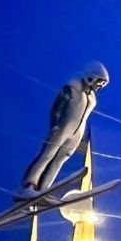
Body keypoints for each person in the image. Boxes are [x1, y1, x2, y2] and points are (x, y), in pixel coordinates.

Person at [18, 62, 109, 199]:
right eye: (99, 81)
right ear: (91, 77)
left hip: (77, 132)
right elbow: (57, 107)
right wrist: (55, 124)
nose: (99, 86)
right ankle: (29, 185)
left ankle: (44, 189)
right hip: (63, 128)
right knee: (47, 155)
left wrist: (82, 138)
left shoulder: (91, 97)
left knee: (60, 159)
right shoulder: (72, 87)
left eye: (102, 84)